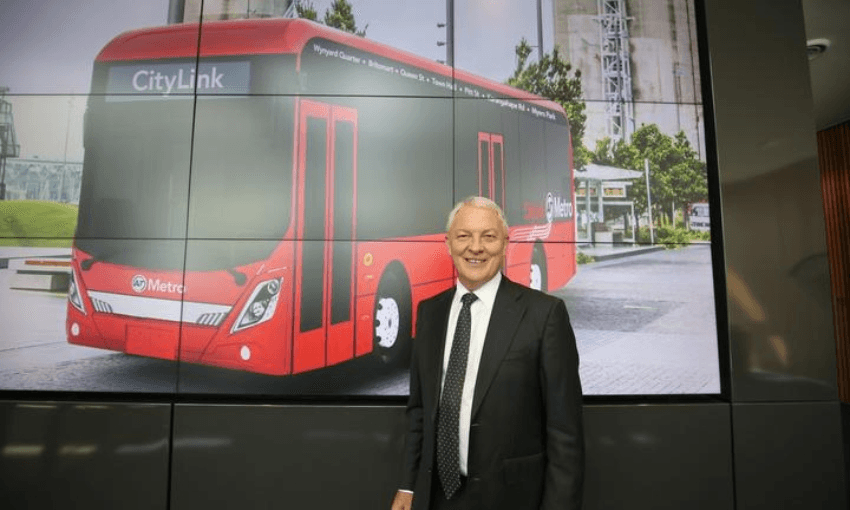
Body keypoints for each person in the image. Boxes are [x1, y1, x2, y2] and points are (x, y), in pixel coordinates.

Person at [391, 196, 584, 510]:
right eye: (464, 236)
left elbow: (565, 432)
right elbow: (419, 412)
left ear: (505, 243)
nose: (476, 247)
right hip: (436, 497)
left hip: (513, 499)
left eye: (489, 236)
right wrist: (407, 486)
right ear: (448, 243)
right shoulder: (429, 313)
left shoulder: (545, 315)